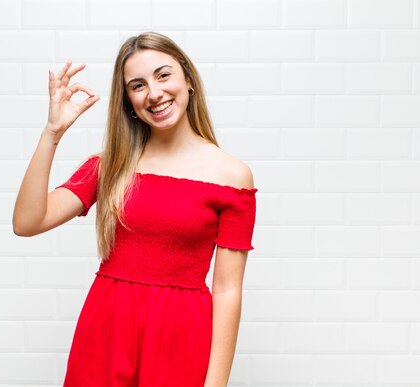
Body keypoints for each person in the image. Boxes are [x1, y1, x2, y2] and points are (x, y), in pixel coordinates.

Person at [13, 31, 257, 387]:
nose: (154, 93)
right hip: (106, 330)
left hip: (180, 338)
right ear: (128, 100)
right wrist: (52, 133)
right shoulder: (110, 165)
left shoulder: (233, 176)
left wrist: (215, 383)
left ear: (187, 79)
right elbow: (27, 221)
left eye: (163, 75)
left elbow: (227, 290)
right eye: (137, 85)